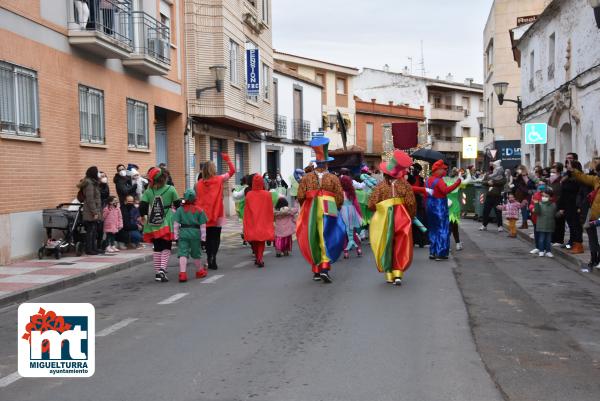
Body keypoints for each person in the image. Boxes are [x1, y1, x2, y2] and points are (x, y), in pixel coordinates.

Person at [296, 137, 345, 283]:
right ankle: (324, 266)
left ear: (316, 163)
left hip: (311, 207)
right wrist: (337, 207)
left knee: (313, 236)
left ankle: (317, 270)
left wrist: (304, 208)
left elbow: (300, 196)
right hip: (328, 206)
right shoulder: (333, 178)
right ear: (327, 163)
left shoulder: (306, 178)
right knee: (327, 236)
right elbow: (339, 197)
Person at [368, 150, 417, 285]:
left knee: (386, 244)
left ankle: (389, 274)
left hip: (384, 219)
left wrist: (379, 209)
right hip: (402, 217)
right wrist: (410, 216)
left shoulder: (380, 186)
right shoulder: (405, 185)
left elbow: (371, 204)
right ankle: (398, 273)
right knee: (401, 244)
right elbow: (411, 203)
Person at [195, 154, 235, 270]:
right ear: (213, 169)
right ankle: (213, 257)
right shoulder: (219, 179)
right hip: (217, 213)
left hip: (203, 215)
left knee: (207, 238)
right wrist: (227, 160)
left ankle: (209, 257)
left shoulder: (198, 184)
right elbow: (232, 171)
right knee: (216, 237)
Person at [140, 167, 179, 282]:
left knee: (157, 247)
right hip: (167, 220)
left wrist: (144, 217)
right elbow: (177, 204)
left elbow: (142, 206)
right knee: (167, 246)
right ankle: (162, 269)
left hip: (153, 221)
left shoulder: (148, 191)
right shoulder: (171, 189)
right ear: (164, 178)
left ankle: (157, 273)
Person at [426, 160, 462, 261]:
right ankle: (440, 253)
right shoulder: (439, 180)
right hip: (439, 206)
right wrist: (457, 183)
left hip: (429, 205)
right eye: (444, 169)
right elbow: (446, 191)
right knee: (442, 229)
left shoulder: (428, 180)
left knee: (433, 230)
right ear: (438, 170)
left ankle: (433, 252)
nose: (445, 171)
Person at [570, 161, 600, 269]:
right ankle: (593, 258)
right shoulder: (596, 179)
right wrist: (573, 170)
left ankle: (597, 259)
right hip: (592, 213)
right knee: (592, 237)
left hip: (595, 214)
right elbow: (583, 177)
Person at [173, 189, 208, 282]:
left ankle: (182, 274)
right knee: (196, 253)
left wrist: (175, 237)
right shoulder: (200, 210)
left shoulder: (180, 210)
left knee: (182, 253)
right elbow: (203, 226)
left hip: (183, 233)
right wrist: (203, 238)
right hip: (195, 234)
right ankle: (200, 271)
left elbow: (176, 224)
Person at [243, 174, 275, 268]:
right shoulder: (267, 194)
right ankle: (260, 258)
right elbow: (270, 209)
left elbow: (247, 209)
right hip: (263, 220)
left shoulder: (249, 194)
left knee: (254, 240)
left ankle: (257, 257)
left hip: (252, 220)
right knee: (261, 241)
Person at [77, 166, 102, 255]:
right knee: (91, 231)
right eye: (97, 172)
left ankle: (94, 248)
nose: (98, 173)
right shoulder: (89, 183)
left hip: (93, 210)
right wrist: (94, 212)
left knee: (94, 230)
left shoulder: (92, 182)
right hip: (90, 211)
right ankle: (89, 249)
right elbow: (90, 199)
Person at [340, 175, 363, 259]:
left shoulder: (339, 192)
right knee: (352, 231)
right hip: (352, 211)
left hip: (343, 212)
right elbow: (356, 204)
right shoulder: (352, 191)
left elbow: (337, 203)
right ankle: (358, 249)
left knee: (344, 232)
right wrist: (360, 214)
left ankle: (346, 252)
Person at [479, 160, 506, 232]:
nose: (492, 166)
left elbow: (503, 181)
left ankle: (500, 226)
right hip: (489, 195)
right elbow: (483, 182)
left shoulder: (501, 174)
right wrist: (487, 182)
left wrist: (493, 182)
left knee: (498, 212)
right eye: (492, 165)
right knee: (485, 211)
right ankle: (484, 225)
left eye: (493, 165)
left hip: (497, 196)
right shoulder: (488, 174)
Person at [408, 163, 428, 248]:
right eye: (414, 169)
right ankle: (412, 240)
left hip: (418, 201)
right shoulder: (409, 178)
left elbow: (423, 190)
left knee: (419, 220)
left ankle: (421, 241)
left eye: (417, 169)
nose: (415, 170)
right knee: (411, 221)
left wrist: (421, 194)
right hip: (411, 200)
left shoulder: (421, 179)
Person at [444, 167, 464, 251]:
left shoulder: (445, 180)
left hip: (447, 203)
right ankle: (457, 244)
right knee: (454, 225)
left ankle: (451, 244)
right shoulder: (459, 181)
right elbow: (468, 182)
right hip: (455, 205)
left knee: (449, 226)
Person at [533, 188, 557, 258]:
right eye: (543, 196)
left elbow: (554, 214)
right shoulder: (539, 204)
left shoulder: (553, 205)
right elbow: (537, 212)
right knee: (541, 239)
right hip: (541, 225)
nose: (544, 197)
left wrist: (559, 213)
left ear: (551, 197)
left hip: (550, 225)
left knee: (548, 240)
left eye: (546, 196)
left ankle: (548, 251)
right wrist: (536, 204)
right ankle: (541, 250)